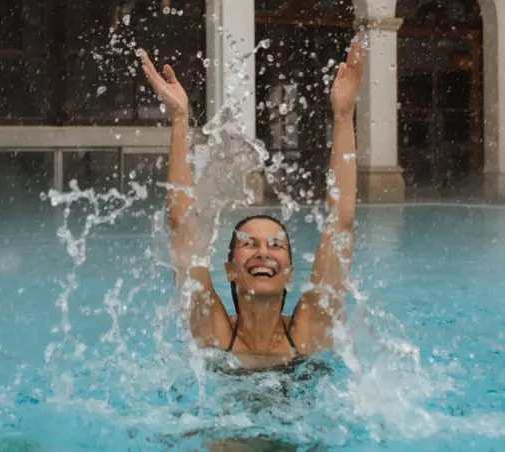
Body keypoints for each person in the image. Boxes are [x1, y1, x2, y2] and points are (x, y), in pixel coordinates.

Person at [140, 40, 364, 370]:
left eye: (275, 245)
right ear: (229, 269)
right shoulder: (214, 334)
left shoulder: (308, 332)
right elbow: (182, 226)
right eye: (249, 244)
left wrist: (344, 115)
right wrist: (179, 120)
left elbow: (340, 224)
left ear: (289, 273)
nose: (263, 253)